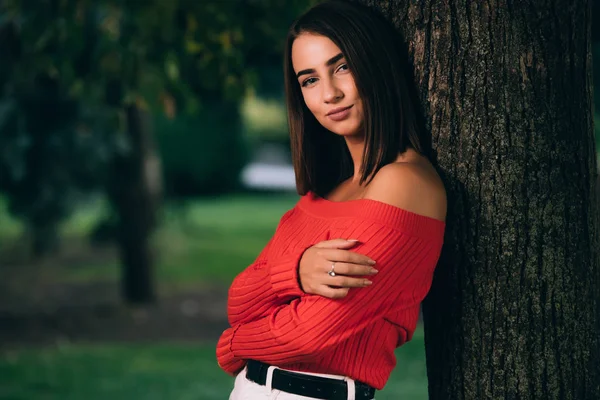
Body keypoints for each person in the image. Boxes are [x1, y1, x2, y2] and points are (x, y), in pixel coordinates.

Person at [216, 1, 447, 399]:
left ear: (373, 63)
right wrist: (297, 271)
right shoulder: (323, 194)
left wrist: (233, 345)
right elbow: (238, 300)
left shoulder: (405, 185)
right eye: (309, 80)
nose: (330, 94)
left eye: (342, 67)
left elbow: (311, 333)